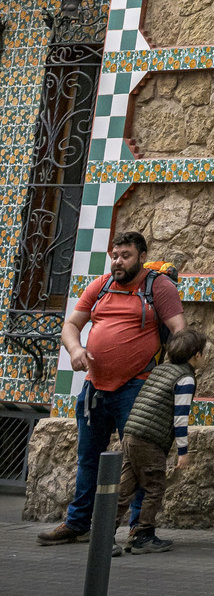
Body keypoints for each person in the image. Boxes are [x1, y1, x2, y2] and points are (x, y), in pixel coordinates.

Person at [36, 231, 184, 546]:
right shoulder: (101, 285)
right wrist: (75, 350)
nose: (117, 261)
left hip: (138, 387)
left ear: (142, 255)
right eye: (114, 255)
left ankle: (139, 530)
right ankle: (78, 524)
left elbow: (179, 333)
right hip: (94, 389)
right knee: (89, 458)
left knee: (139, 460)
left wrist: (171, 380)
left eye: (125, 255)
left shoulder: (158, 286)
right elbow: (71, 325)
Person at [109, 327, 206, 555]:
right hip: (150, 440)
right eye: (204, 352)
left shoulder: (161, 369)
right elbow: (180, 417)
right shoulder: (185, 378)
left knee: (125, 488)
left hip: (132, 433)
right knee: (154, 487)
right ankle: (144, 535)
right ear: (196, 355)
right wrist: (183, 451)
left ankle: (104, 533)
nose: (205, 356)